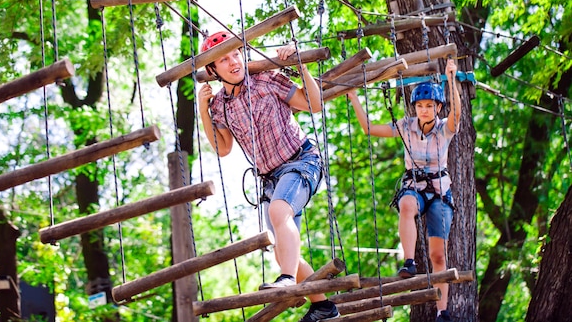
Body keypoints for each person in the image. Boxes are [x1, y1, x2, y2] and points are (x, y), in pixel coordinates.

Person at [198, 31, 340, 321]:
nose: (233, 62)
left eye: (236, 54)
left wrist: (302, 67)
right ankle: (324, 306)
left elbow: (313, 105)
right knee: (283, 248)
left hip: (301, 161)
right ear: (212, 71)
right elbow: (222, 149)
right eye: (224, 60)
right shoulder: (219, 106)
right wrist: (203, 108)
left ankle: (287, 279)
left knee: (279, 212)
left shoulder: (266, 79)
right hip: (271, 178)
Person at [346, 59, 461, 322]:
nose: (423, 110)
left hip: (440, 192)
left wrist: (450, 79)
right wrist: (354, 97)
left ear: (438, 107)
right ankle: (409, 262)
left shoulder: (445, 129)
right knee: (407, 205)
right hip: (415, 187)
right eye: (420, 106)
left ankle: (442, 312)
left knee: (438, 256)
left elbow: (458, 114)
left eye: (429, 106)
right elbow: (368, 129)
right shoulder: (406, 127)